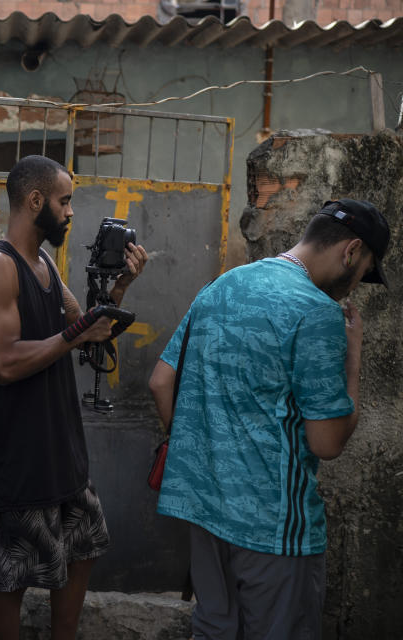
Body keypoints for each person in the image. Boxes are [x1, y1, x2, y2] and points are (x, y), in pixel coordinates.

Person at [148, 198, 390, 639]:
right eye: (364, 272)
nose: (355, 286)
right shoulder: (316, 311)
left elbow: (161, 382)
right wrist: (353, 360)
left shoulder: (222, 285)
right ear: (351, 251)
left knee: (215, 629)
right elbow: (327, 443)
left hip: (203, 512)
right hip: (275, 530)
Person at [0, 155, 147, 640]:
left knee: (84, 558)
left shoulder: (45, 262)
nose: (70, 212)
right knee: (11, 589)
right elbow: (4, 364)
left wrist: (123, 286)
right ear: (34, 200)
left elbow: (86, 327)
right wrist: (74, 335)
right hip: (18, 469)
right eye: (64, 201)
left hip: (64, 461)